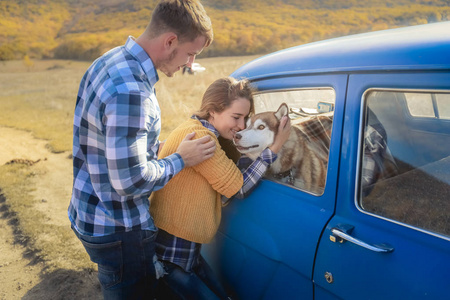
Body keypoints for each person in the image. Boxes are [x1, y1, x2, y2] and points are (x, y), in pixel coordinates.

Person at [68, 1, 215, 299]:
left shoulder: (110, 60)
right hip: (120, 230)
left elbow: (105, 141)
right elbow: (130, 182)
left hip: (90, 213)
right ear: (170, 41)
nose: (189, 64)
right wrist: (180, 159)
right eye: (191, 54)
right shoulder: (132, 90)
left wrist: (156, 150)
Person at [150, 77, 291, 300]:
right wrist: (275, 146)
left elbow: (229, 174)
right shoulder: (201, 139)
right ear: (213, 111)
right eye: (236, 117)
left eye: (245, 118)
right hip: (172, 254)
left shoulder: (196, 128)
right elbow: (239, 188)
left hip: (182, 249)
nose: (242, 126)